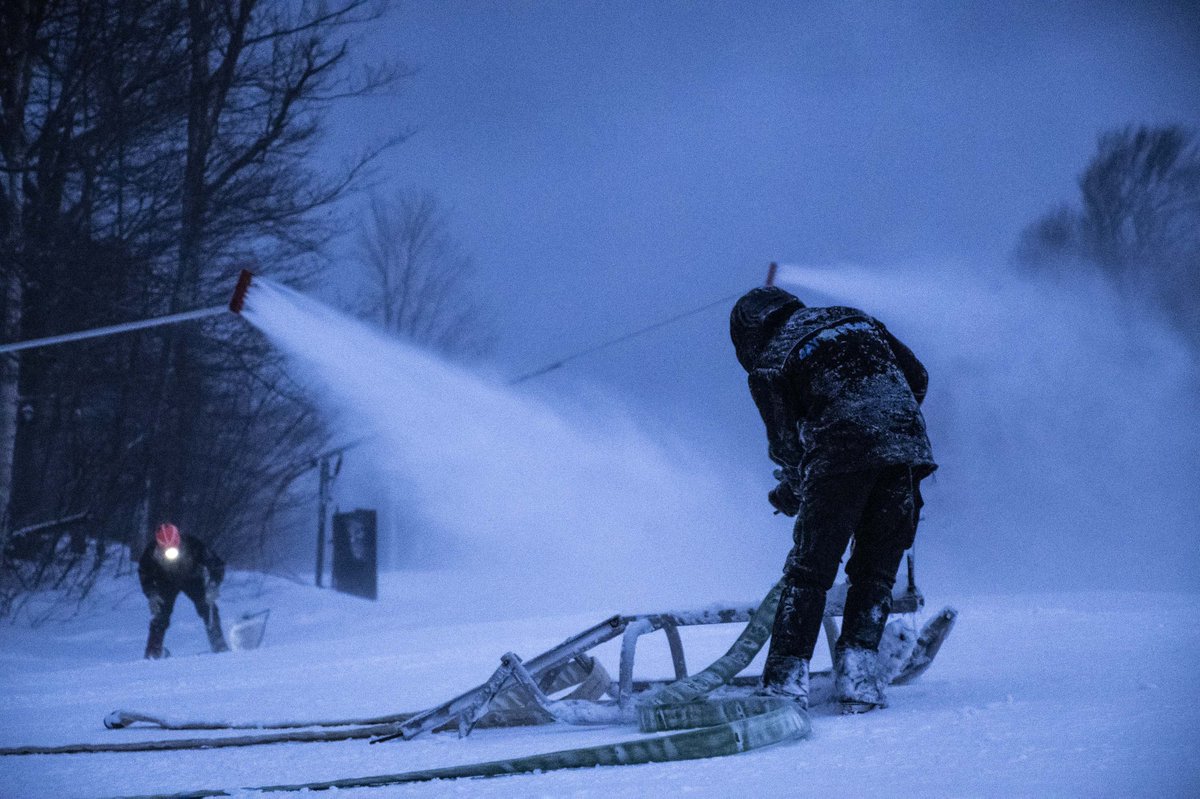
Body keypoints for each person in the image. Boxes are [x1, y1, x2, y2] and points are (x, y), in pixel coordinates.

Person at [730, 285, 935, 713]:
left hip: (841, 453)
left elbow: (786, 447)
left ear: (749, 336)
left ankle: (785, 684)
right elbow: (917, 377)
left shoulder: (771, 361)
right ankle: (859, 680)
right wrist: (885, 420)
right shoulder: (854, 317)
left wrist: (793, 489)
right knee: (875, 574)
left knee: (810, 573)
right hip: (906, 450)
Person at [138, 522, 229, 658]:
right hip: (165, 582)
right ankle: (153, 651)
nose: (170, 551)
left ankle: (219, 645)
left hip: (192, 578)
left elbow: (216, 564)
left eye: (173, 547)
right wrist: (152, 594)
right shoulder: (151, 552)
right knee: (160, 613)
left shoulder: (193, 545)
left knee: (208, 607)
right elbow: (145, 573)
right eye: (165, 549)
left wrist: (213, 586)